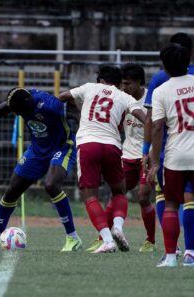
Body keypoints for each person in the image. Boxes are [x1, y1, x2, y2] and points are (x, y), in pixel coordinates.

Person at [0, 88, 82, 252]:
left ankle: (73, 238)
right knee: (12, 190)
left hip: (62, 147)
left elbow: (76, 113)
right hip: (37, 150)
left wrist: (85, 133)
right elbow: (6, 107)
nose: (18, 115)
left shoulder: (50, 105)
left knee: (51, 186)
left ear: (28, 103)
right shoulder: (20, 102)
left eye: (19, 112)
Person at [58, 65, 145, 253]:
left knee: (90, 196)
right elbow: (141, 114)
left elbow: (62, 97)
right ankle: (118, 228)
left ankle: (107, 240)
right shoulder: (124, 96)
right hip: (112, 146)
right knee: (119, 192)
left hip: (89, 144)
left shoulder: (89, 87)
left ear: (102, 81)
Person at [143, 32, 194, 260]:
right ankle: (191, 253)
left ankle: (171, 257)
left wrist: (153, 162)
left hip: (174, 155)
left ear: (164, 66)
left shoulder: (161, 89)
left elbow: (156, 126)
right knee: (192, 202)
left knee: (171, 203)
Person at [120, 63, 155, 252]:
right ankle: (107, 235)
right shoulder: (122, 99)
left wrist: (152, 153)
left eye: (127, 84)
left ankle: (150, 240)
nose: (124, 88)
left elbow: (158, 127)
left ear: (139, 82)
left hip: (147, 156)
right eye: (122, 84)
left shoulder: (151, 100)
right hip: (127, 155)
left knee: (143, 196)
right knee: (118, 192)